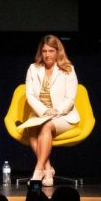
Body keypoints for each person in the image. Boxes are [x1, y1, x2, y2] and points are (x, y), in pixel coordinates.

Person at [20, 34, 79, 187]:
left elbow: (70, 98)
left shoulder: (68, 70)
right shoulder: (33, 69)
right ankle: (48, 168)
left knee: (46, 126)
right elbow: (30, 95)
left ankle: (38, 171)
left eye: (51, 51)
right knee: (31, 129)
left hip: (63, 116)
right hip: (41, 113)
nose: (47, 55)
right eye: (44, 51)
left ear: (58, 51)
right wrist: (44, 111)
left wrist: (55, 111)